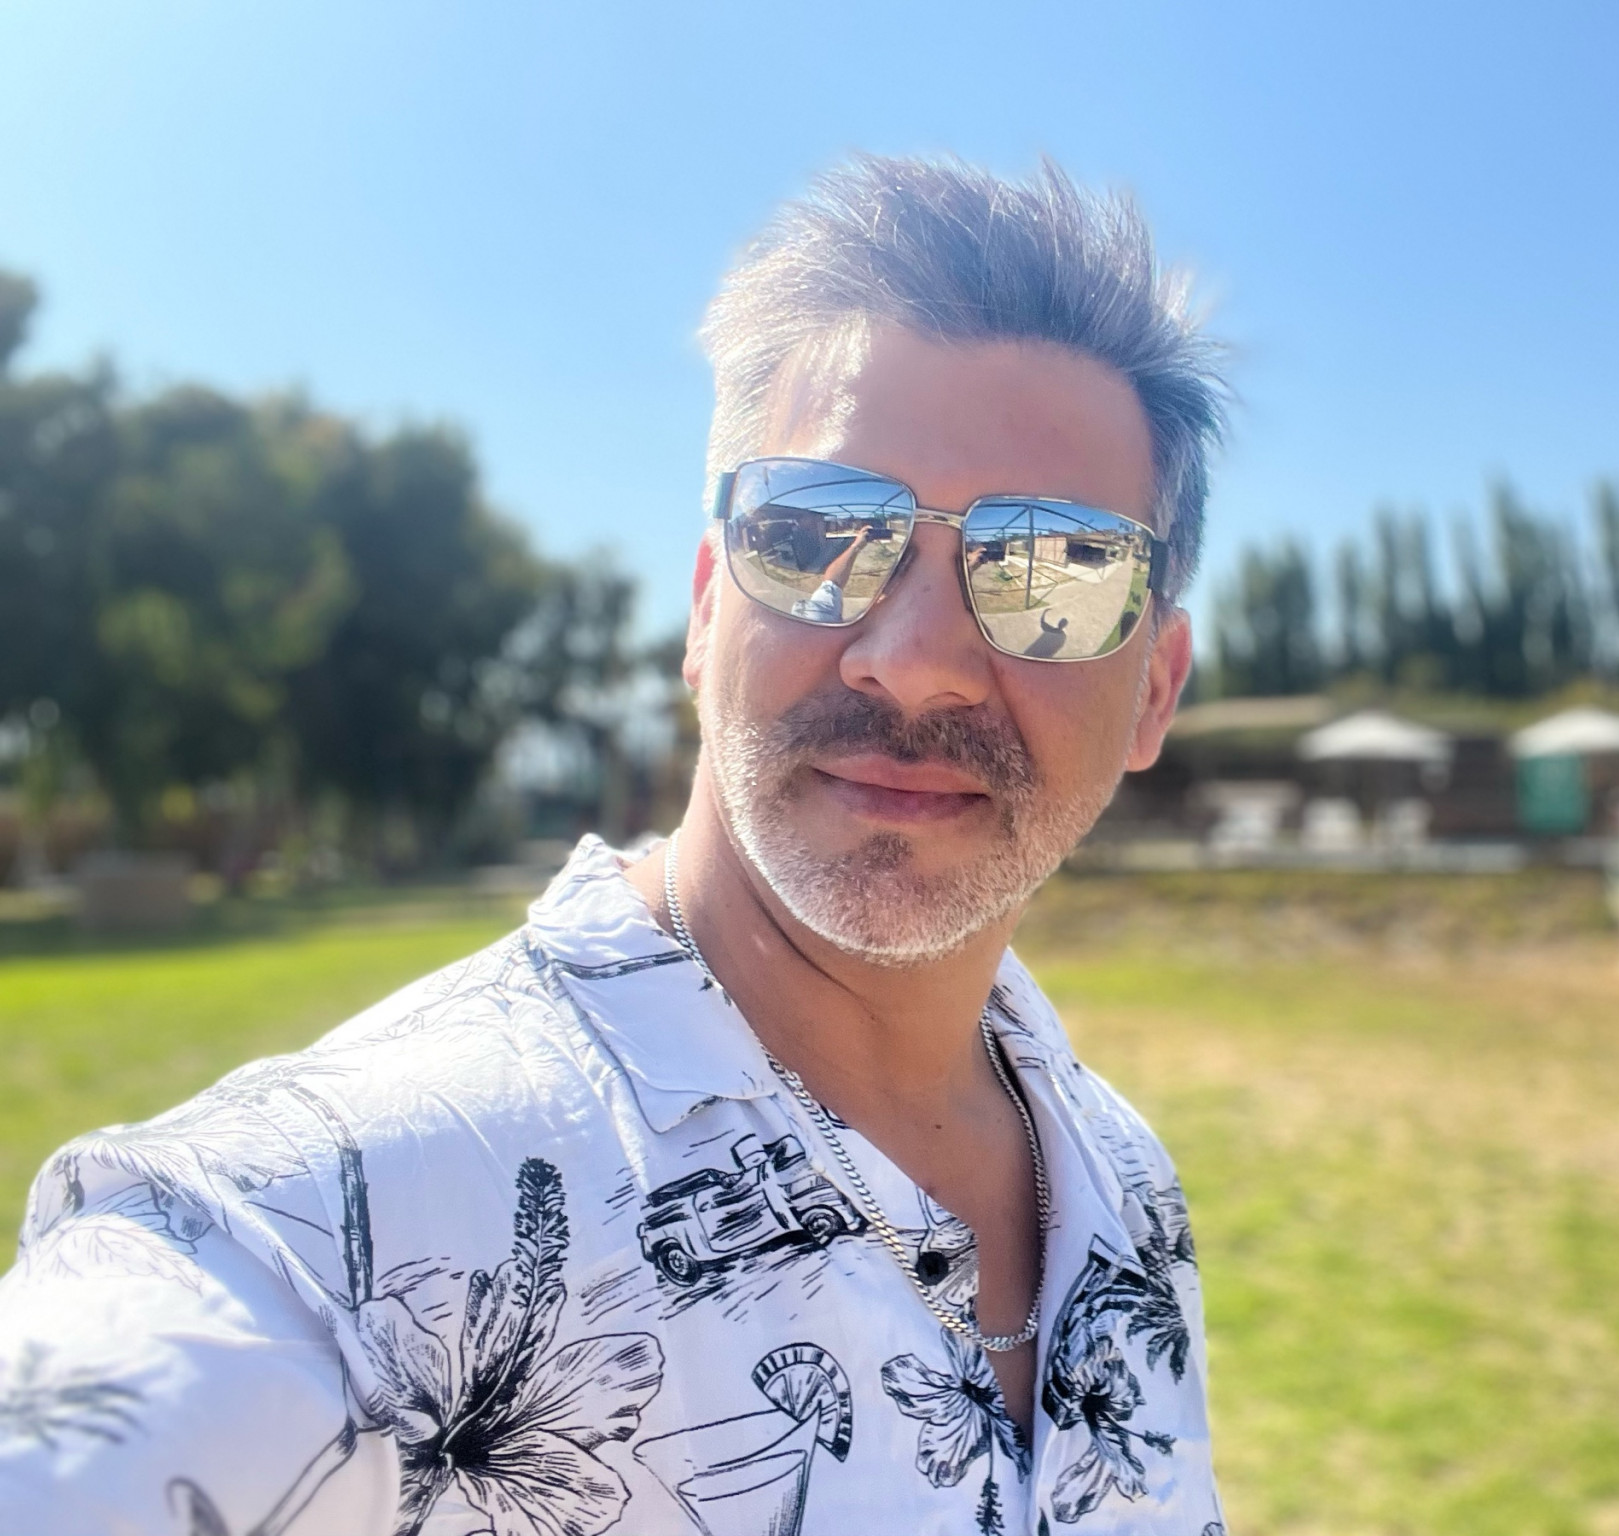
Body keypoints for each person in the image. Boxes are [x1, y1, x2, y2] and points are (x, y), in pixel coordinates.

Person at [0, 154, 1231, 1535]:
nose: (916, 659)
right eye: (820, 533)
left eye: (1056, 571)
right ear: (706, 614)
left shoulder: (1119, 1178)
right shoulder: (325, 1232)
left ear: (1156, 689)